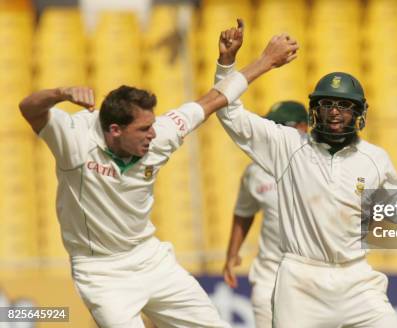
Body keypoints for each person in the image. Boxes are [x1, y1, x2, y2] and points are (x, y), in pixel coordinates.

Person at [18, 24, 298, 328]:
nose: (153, 134)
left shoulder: (160, 135)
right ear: (115, 130)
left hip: (150, 258)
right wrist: (60, 93)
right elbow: (28, 108)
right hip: (101, 272)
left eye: (153, 125)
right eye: (143, 129)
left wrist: (264, 61)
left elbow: (214, 99)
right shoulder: (74, 138)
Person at [211, 20, 397, 328]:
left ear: (359, 114)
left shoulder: (375, 159)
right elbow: (229, 113)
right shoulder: (287, 146)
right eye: (326, 104)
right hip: (301, 281)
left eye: (344, 105)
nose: (334, 112)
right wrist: (227, 64)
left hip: (357, 278)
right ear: (314, 110)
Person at [223, 101, 308, 328]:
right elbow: (244, 211)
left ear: (303, 127)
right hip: (269, 277)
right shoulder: (255, 171)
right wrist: (232, 254)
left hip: (313, 278)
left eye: (281, 126)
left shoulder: (322, 165)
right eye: (271, 126)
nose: (274, 133)